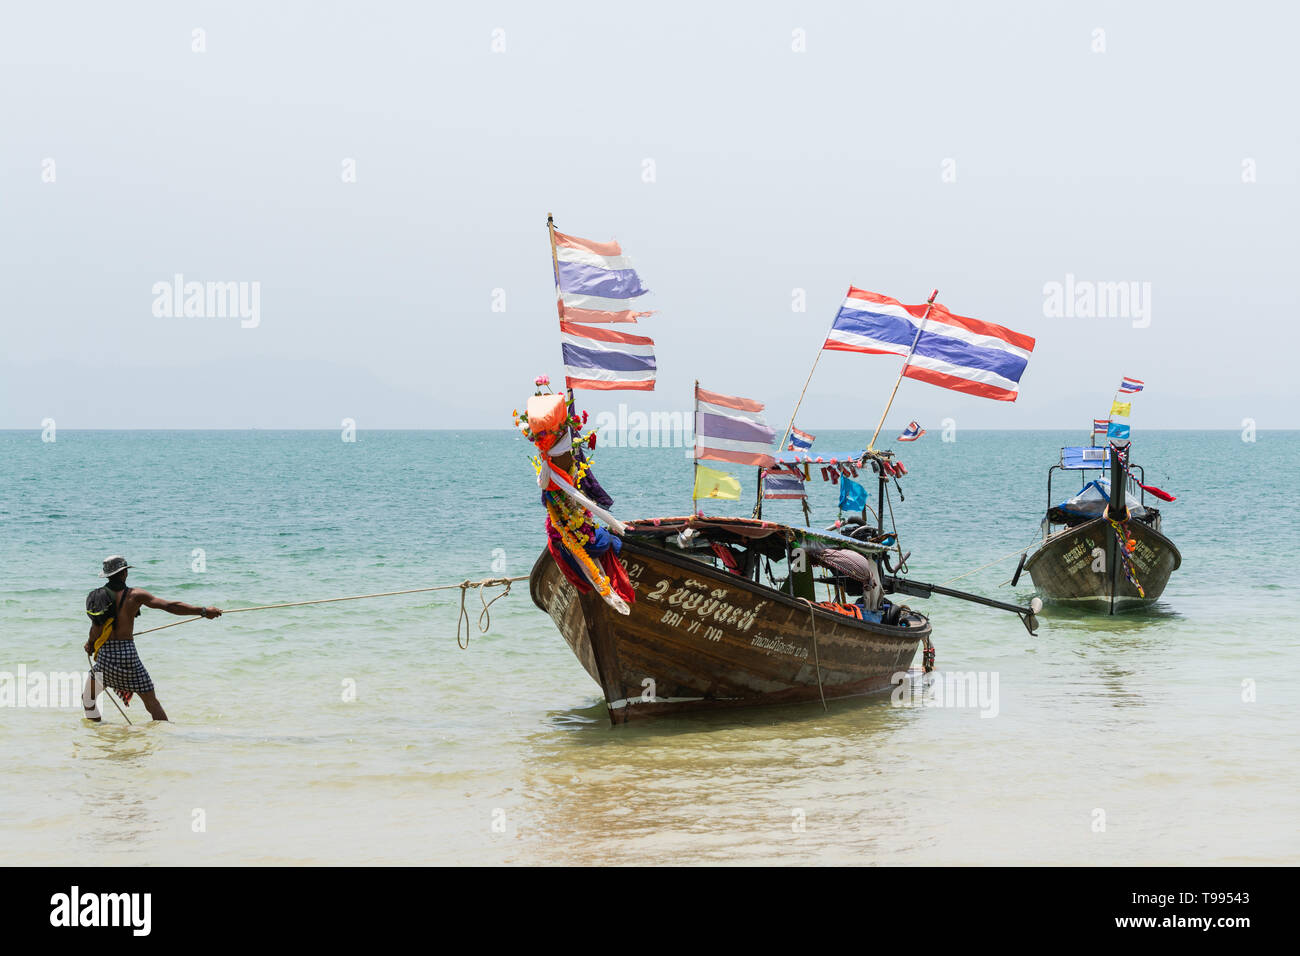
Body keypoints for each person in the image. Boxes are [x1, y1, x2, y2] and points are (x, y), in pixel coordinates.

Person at [82, 555, 222, 722]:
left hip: (106, 658)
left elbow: (96, 628)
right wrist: (204, 611)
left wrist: (90, 644)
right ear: (124, 573)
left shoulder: (98, 597)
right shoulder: (135, 595)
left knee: (88, 698)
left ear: (107, 575)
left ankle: (98, 734)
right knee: (152, 704)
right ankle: (165, 735)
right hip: (128, 657)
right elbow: (170, 606)